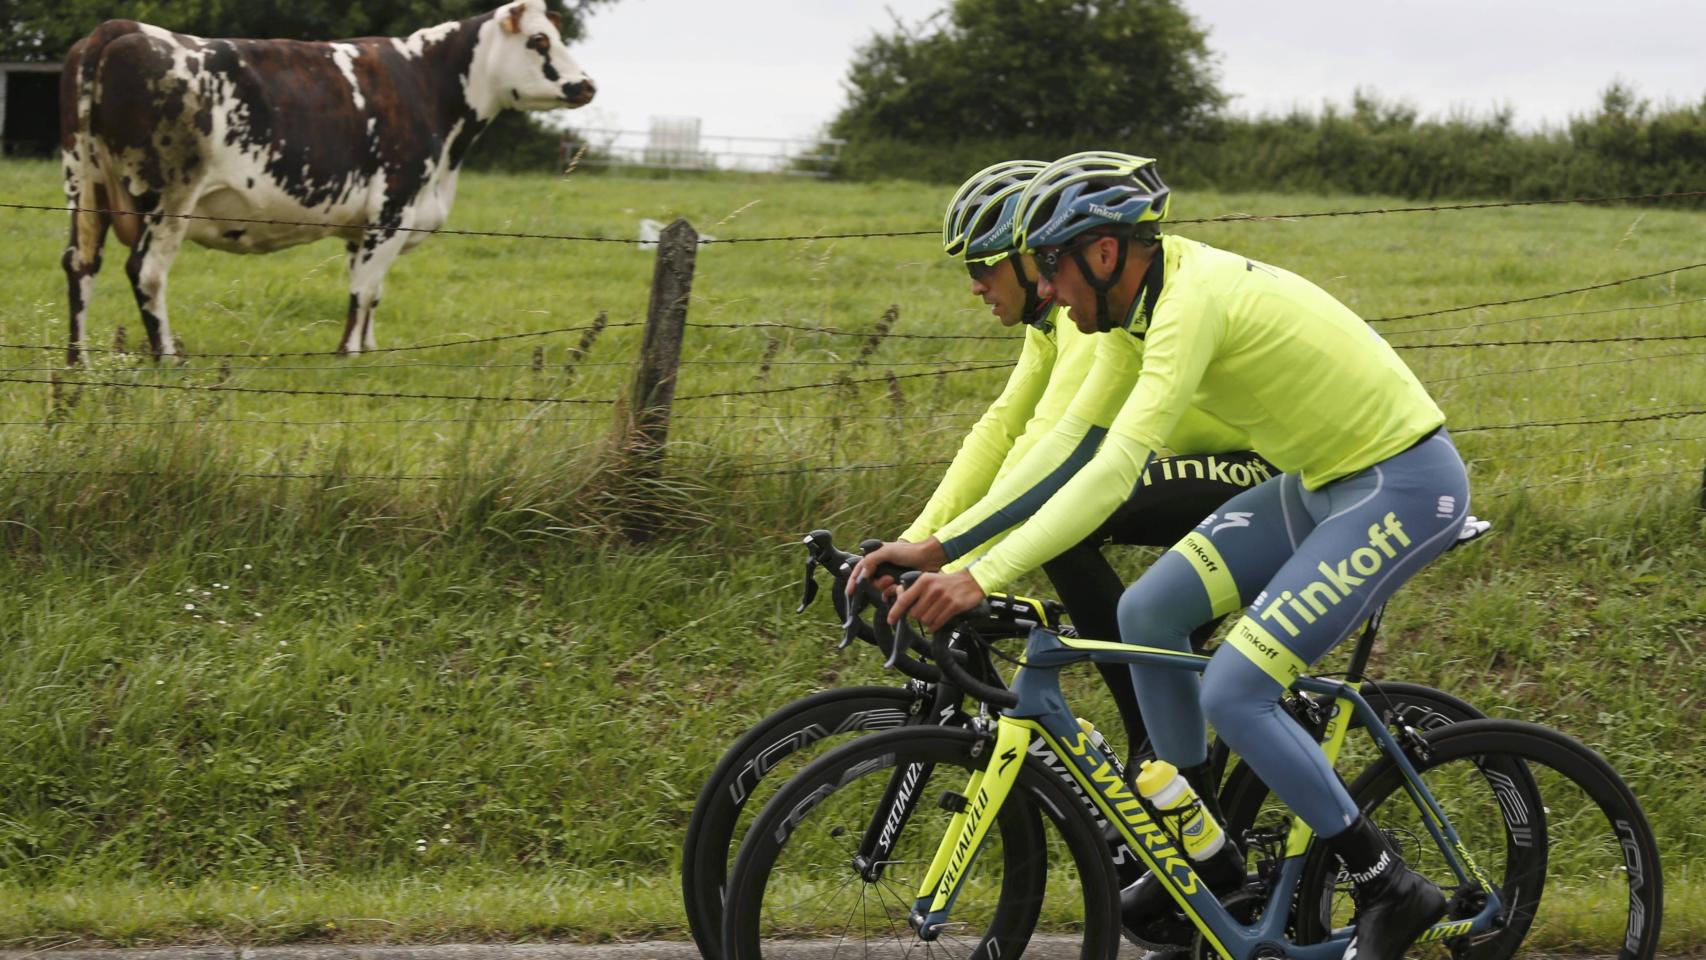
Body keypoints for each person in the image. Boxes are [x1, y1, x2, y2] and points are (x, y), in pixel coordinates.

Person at [881, 152, 1468, 960]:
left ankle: (1388, 883)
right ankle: (1205, 847)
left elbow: (1113, 471)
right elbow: (1065, 449)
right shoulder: (1127, 313)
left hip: (1400, 483)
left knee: (1234, 690)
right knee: (1147, 612)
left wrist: (980, 575)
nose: (1044, 288)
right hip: (1319, 483)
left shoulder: (1190, 303)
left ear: (1104, 252)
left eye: (1049, 266)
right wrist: (938, 544)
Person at [865, 158, 1274, 770]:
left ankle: (1151, 743)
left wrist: (960, 566)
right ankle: (1165, 747)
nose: (975, 286)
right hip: (1204, 462)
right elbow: (1001, 429)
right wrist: (920, 542)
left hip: (1257, 468)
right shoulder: (1051, 322)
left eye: (982, 266)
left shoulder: (1085, 322)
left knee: (1070, 526)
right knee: (1149, 635)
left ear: (1029, 260)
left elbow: (1049, 450)